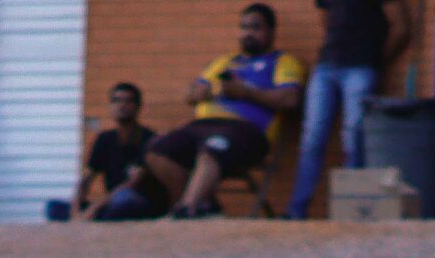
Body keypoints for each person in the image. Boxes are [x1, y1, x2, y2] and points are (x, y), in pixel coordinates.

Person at [90, 5, 307, 220]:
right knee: (156, 150)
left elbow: (290, 99)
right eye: (243, 27)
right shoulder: (225, 62)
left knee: (210, 149)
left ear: (271, 31)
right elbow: (189, 94)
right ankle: (204, 208)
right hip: (201, 126)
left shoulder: (282, 61)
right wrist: (199, 93)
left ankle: (185, 212)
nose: (247, 33)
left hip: (246, 132)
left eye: (255, 27)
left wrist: (245, 92)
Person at [288, 0, 413, 219]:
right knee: (312, 137)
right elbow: (326, 20)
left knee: (354, 136)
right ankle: (297, 210)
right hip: (327, 65)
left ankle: (350, 209)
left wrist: (376, 61)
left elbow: (401, 28)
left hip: (360, 66)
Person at [69, 82, 151, 217]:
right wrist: (76, 207)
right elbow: (87, 177)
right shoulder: (104, 139)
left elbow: (133, 183)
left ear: (138, 106)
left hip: (134, 200)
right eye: (116, 101)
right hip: (109, 202)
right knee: (54, 207)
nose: (122, 105)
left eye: (128, 101)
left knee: (125, 200)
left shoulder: (148, 139)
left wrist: (95, 207)